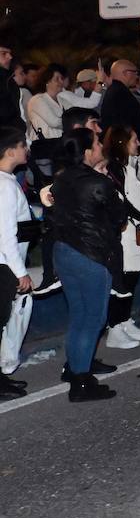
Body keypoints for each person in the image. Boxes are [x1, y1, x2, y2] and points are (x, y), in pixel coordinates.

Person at [46, 128, 126, 401]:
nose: (101, 146)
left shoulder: (61, 179)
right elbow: (118, 217)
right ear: (87, 151)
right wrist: (107, 184)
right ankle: (81, 382)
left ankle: (77, 368)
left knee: (79, 315)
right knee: (93, 317)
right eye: (96, 143)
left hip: (64, 250)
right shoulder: (97, 182)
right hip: (91, 254)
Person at [101, 125, 140, 349]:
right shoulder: (115, 168)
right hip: (126, 232)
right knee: (124, 280)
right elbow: (120, 199)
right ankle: (115, 328)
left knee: (132, 279)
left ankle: (124, 321)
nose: (139, 144)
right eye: (134, 140)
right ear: (123, 143)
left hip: (135, 229)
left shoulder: (129, 165)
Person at [0, 128, 33, 396]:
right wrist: (20, 272)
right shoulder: (5, 185)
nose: (27, 149)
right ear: (10, 150)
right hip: (4, 264)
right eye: (23, 145)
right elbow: (6, 235)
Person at [99, 59, 140, 141]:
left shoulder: (115, 91)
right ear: (126, 73)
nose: (137, 76)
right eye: (136, 72)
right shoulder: (121, 94)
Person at [25, 64, 68, 141]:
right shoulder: (37, 100)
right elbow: (54, 122)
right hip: (45, 146)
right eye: (57, 79)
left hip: (60, 143)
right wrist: (73, 121)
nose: (61, 82)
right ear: (47, 82)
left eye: (62, 78)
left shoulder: (62, 99)